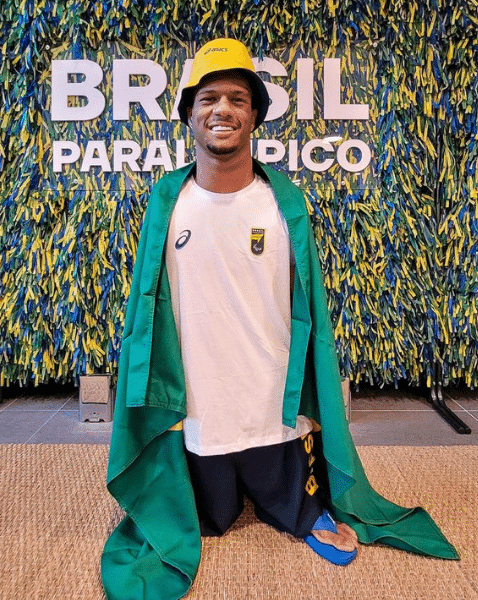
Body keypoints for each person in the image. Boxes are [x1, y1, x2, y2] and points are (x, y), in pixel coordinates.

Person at [101, 38, 457, 600]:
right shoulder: (166, 202)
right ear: (189, 114)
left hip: (269, 386)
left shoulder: (284, 203)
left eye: (237, 99)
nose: (222, 110)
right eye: (208, 98)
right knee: (207, 516)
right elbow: (145, 311)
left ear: (255, 115)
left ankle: (304, 507)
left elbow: (306, 307)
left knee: (288, 483)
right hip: (197, 395)